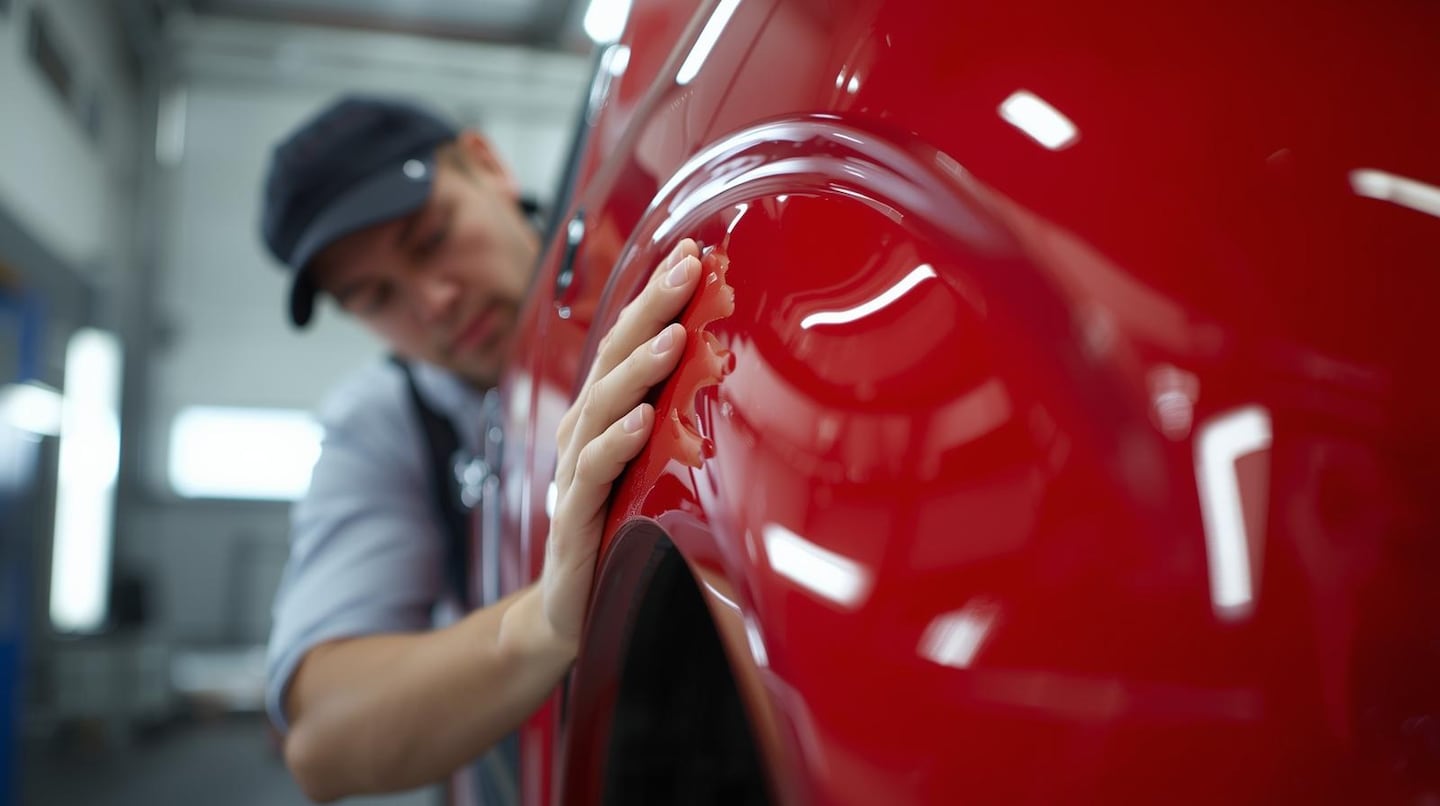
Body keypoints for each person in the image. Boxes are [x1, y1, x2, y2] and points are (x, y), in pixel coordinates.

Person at [257, 96, 702, 802]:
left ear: (488, 165)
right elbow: (319, 738)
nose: (432, 301)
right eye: (374, 297)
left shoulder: (661, 257)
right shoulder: (387, 420)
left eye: (431, 239)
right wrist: (542, 621)